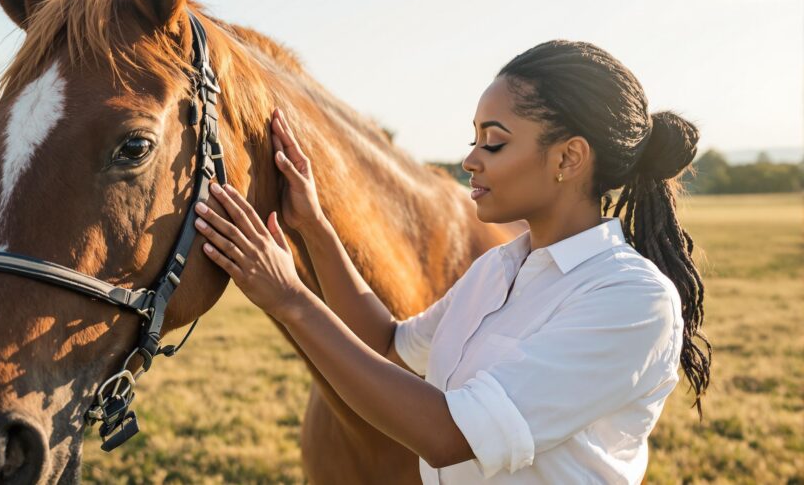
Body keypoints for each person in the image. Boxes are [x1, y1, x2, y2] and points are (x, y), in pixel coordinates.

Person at [192, 40, 710, 484]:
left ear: (568, 159)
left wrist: (291, 300)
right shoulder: (499, 268)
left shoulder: (631, 300)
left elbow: (446, 436)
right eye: (475, 138)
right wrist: (316, 228)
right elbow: (388, 345)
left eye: (495, 141)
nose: (470, 159)